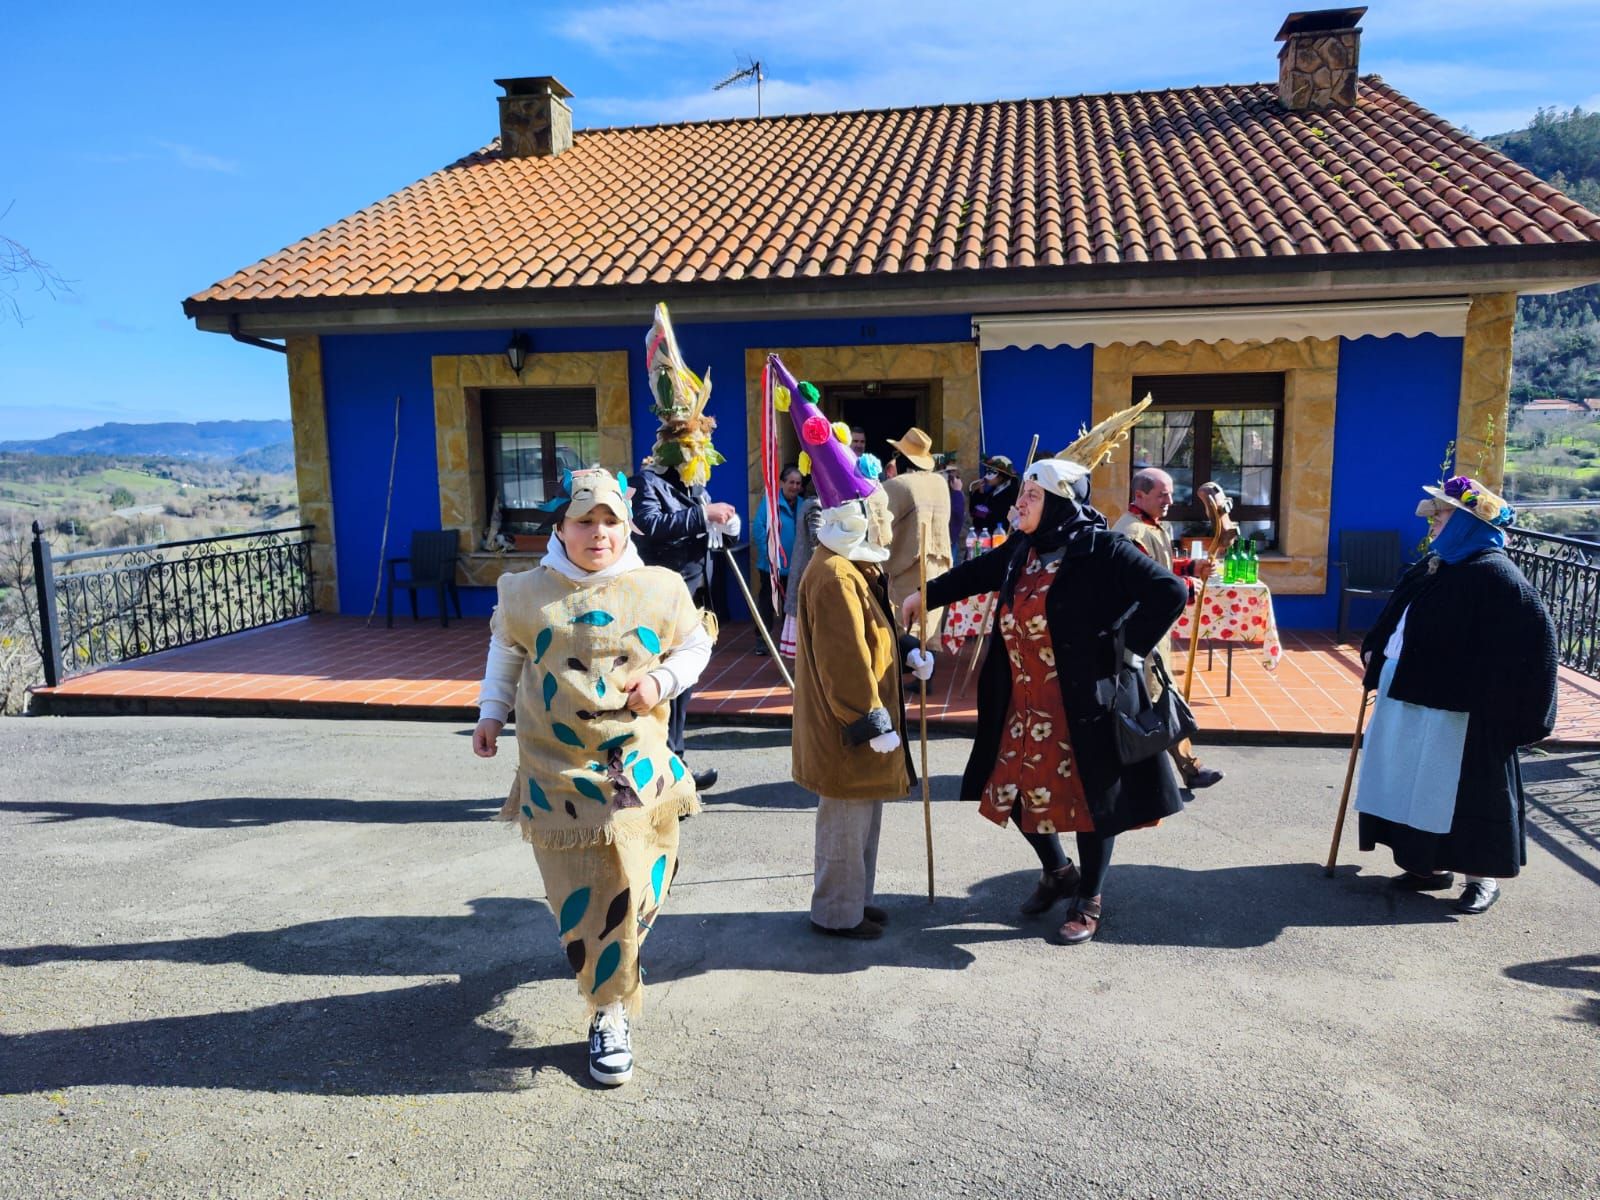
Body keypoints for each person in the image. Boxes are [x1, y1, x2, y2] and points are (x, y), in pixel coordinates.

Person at [473, 468, 713, 1085]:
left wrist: (663, 680)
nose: (598, 533)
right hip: (557, 771)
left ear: (626, 525)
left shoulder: (659, 587)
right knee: (589, 899)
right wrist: (490, 715)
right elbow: (506, 654)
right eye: (584, 521)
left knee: (641, 886)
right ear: (561, 527)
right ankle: (609, 1008)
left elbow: (694, 647)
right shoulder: (525, 591)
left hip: (637, 765)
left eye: (610, 520)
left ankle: (614, 964)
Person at [906, 422, 1187, 945]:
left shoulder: (1101, 549)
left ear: (1058, 501)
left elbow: (1169, 591)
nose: (1021, 503)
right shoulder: (1024, 549)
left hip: (1083, 701)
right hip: (1024, 701)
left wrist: (1128, 648)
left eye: (1032, 495)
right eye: (1022, 494)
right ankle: (1059, 872)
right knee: (1011, 788)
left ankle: (1090, 897)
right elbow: (979, 571)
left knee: (1088, 801)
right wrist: (928, 594)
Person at [776, 367, 933, 939]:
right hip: (851, 724)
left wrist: (910, 650)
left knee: (864, 815)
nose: (885, 524)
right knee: (845, 820)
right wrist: (869, 720)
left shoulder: (853, 565)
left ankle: (856, 902)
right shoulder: (837, 574)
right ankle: (836, 914)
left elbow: (876, 631)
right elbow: (845, 661)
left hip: (864, 720)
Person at [1354, 474, 1557, 915]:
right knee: (1415, 782)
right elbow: (1398, 615)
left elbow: (1536, 644)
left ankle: (1481, 879)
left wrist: (1520, 714)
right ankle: (1427, 865)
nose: (1433, 526)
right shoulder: (1436, 567)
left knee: (1466, 793)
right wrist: (1375, 648)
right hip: (1411, 696)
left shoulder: (1496, 577)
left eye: (1442, 517)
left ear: (1468, 524)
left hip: (1462, 712)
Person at [630, 304, 735, 791]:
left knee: (686, 682)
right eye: (694, 450)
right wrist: (701, 515)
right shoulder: (650, 481)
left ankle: (675, 762)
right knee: (667, 682)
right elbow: (650, 526)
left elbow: (703, 526)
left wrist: (723, 523)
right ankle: (666, 766)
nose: (701, 458)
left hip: (694, 592)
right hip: (663, 597)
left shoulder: (693, 485)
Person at [1111, 467, 1224, 791]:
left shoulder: (1152, 527)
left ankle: (1183, 770)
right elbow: (1139, 583)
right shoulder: (1130, 532)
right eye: (1163, 495)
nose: (1170, 501)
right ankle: (1171, 772)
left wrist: (1190, 567)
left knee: (1160, 700)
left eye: (1171, 494)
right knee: (1152, 704)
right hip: (1140, 636)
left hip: (1155, 635)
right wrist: (1185, 586)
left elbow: (1158, 566)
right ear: (1140, 495)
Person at [882, 426, 952, 642]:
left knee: (904, 634)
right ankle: (926, 674)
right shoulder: (941, 483)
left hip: (907, 570)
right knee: (927, 634)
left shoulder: (897, 485)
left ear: (901, 458)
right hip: (938, 569)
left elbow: (878, 528)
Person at [752, 464, 803, 655]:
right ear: (782, 483)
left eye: (798, 483)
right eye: (791, 482)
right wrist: (769, 554)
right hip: (770, 566)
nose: (795, 486)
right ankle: (761, 640)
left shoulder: (803, 504)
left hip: (794, 567)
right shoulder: (770, 503)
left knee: (790, 606)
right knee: (766, 604)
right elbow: (758, 528)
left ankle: (787, 641)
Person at [969, 455, 1020, 535]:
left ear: (1001, 476)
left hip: (1000, 537)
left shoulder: (1012, 493)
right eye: (987, 471)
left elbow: (995, 516)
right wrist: (980, 493)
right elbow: (974, 511)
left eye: (991, 472)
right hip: (986, 535)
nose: (986, 477)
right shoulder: (994, 489)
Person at [946, 464, 967, 562]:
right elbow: (957, 514)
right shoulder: (952, 494)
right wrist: (957, 492)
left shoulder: (955, 494)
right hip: (948, 539)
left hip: (952, 539)